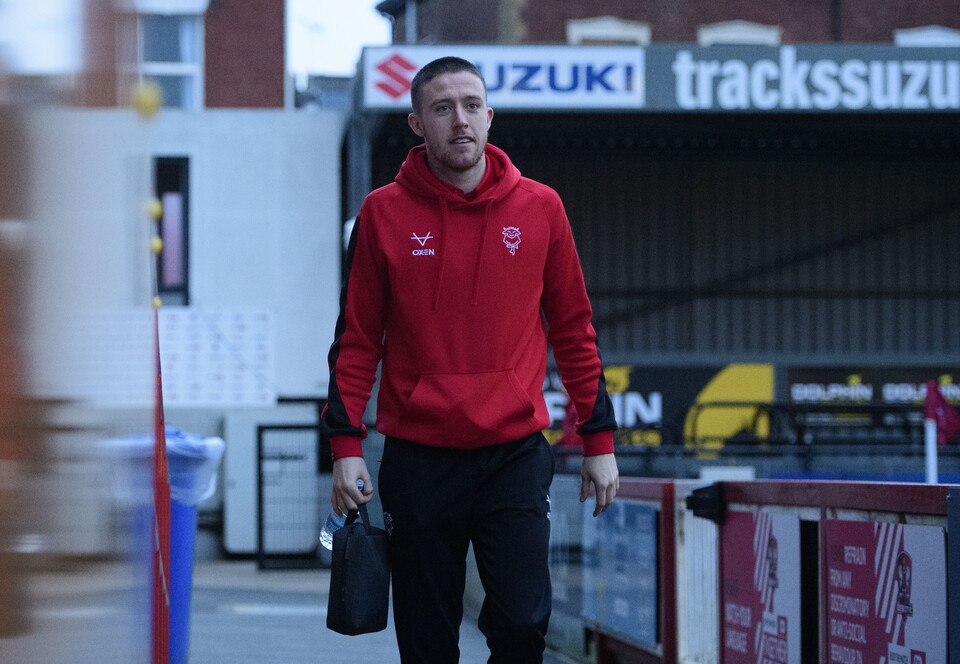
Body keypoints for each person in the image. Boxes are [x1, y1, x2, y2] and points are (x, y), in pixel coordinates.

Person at [320, 56, 619, 663]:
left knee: (520, 626)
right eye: (442, 108)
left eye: (472, 105)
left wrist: (600, 442)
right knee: (427, 640)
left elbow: (574, 330)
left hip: (513, 454)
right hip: (419, 459)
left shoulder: (541, 208)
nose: (461, 120)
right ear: (416, 124)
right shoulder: (382, 214)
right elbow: (355, 340)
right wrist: (346, 449)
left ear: (490, 116)